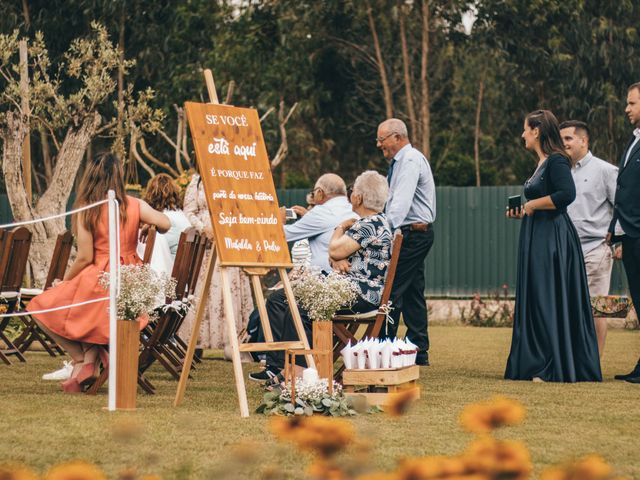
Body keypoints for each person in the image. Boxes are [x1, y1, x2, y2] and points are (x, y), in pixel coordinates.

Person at [28, 153, 171, 392]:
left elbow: (85, 256)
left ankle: (83, 360)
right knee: (83, 310)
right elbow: (166, 222)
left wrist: (64, 281)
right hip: (130, 282)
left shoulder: (87, 209)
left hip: (100, 279)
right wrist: (148, 223)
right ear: (119, 177)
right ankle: (90, 358)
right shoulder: (134, 205)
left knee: (40, 307)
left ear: (90, 178)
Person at [249, 171, 392, 384]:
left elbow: (334, 250)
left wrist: (340, 227)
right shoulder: (377, 222)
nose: (351, 195)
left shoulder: (367, 224)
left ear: (359, 198)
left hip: (362, 293)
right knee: (289, 300)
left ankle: (297, 374)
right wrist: (337, 255)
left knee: (298, 306)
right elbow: (338, 255)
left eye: (353, 192)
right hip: (358, 289)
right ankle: (287, 368)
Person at [505, 110, 601, 383]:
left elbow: (566, 194)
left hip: (552, 238)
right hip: (538, 234)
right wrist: (523, 211)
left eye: (525, 129)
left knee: (547, 296)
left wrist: (533, 204)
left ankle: (549, 365)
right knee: (537, 295)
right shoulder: (542, 163)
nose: (522, 134)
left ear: (536, 131)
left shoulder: (557, 160)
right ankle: (536, 360)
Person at [246, 174, 357, 363]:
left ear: (320, 193)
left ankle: (277, 365)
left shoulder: (321, 213)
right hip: (351, 287)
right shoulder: (352, 210)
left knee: (277, 301)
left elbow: (280, 236)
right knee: (287, 298)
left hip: (326, 286)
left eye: (314, 193)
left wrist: (279, 220)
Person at [377, 118, 435, 366]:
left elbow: (399, 204)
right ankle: (418, 349)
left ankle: (384, 347)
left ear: (397, 137)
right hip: (414, 233)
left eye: (382, 140)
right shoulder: (402, 161)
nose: (379, 145)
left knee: (392, 289)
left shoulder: (409, 161)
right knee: (412, 293)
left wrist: (381, 232)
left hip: (413, 234)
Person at [560, 120, 618, 357]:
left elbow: (622, 207)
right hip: (567, 250)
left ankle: (594, 360)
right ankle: (574, 358)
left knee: (596, 308)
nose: (563, 144)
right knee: (570, 307)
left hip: (596, 249)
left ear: (583, 141)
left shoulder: (605, 170)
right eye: (561, 139)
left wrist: (618, 240)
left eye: (568, 139)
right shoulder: (561, 172)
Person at [178, 172, 254, 353]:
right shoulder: (197, 181)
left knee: (228, 288)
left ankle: (232, 343)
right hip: (206, 246)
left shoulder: (234, 178)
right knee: (205, 290)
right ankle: (198, 342)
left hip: (229, 242)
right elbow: (189, 211)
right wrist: (202, 227)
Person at [607, 82, 640, 384]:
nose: (627, 109)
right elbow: (625, 190)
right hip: (628, 234)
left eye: (631, 103)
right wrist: (615, 231)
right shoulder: (633, 141)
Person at [142, 173, 191, 258]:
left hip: (168, 268)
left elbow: (151, 249)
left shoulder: (164, 219)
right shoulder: (181, 214)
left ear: (151, 195)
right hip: (179, 266)